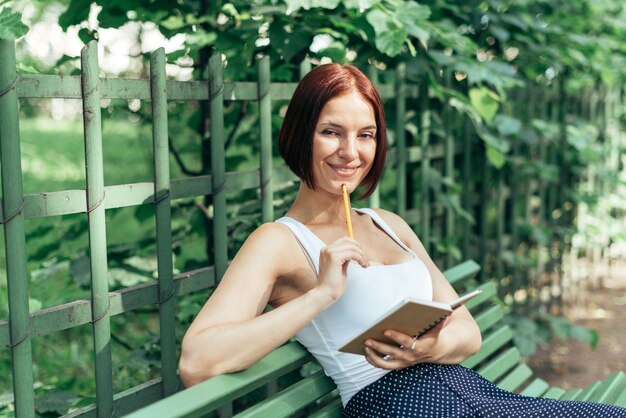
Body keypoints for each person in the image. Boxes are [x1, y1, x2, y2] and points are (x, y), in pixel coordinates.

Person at [178, 63, 626, 417]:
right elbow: (198, 362)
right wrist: (321, 294)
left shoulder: (387, 222)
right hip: (396, 405)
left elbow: (467, 333)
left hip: (471, 391)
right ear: (300, 135)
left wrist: (430, 347)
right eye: (331, 132)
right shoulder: (278, 240)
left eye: (365, 135)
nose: (350, 152)